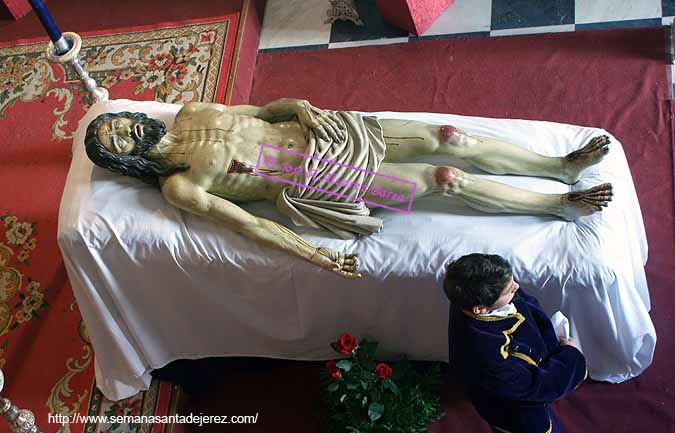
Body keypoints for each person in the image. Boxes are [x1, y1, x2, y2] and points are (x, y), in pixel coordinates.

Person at [84, 99, 613, 279]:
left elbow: (269, 110)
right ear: (123, 157)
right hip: (317, 177)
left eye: (121, 122)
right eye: (118, 139)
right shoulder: (179, 187)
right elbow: (251, 223)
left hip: (330, 131)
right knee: (444, 180)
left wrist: (302, 107)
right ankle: (558, 204)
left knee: (448, 137)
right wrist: (315, 252)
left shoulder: (194, 111)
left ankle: (559, 166)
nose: (128, 129)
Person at [444, 253, 586, 433]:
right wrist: (570, 355)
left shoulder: (471, 292)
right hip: (518, 411)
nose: (517, 287)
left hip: (515, 385)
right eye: (508, 290)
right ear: (480, 309)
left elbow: (528, 306)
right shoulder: (487, 357)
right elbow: (539, 385)